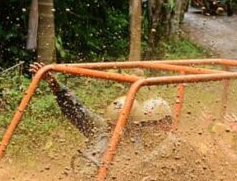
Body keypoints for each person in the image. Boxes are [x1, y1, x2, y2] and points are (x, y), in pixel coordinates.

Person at [29, 62, 174, 173]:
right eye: (112, 124)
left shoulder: (145, 141)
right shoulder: (100, 128)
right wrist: (55, 85)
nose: (113, 129)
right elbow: (77, 111)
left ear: (132, 125)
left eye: (119, 125)